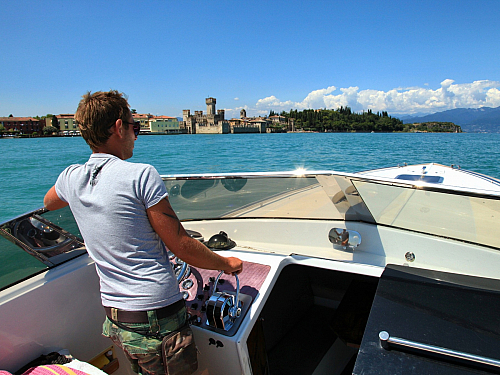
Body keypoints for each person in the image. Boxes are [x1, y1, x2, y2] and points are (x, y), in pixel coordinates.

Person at [43, 90, 243, 375]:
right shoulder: (140, 175)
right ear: (118, 127)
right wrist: (227, 263)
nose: (136, 135)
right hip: (156, 315)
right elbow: (181, 245)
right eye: (134, 127)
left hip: (117, 316)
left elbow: (49, 203)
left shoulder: (71, 177)